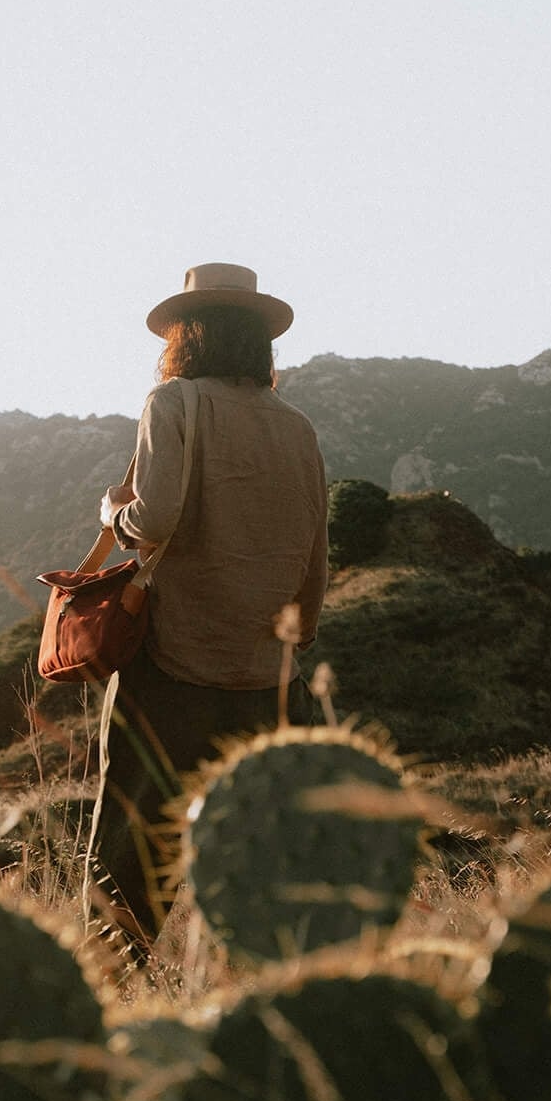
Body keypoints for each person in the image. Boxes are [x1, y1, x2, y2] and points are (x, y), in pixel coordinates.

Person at [85, 263, 329, 956]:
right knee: (263, 852)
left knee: (135, 840)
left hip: (173, 661)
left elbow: (155, 517)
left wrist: (112, 512)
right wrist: (296, 637)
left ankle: (108, 986)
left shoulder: (174, 403)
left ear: (185, 335)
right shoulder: (297, 427)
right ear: (259, 342)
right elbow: (316, 548)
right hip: (264, 669)